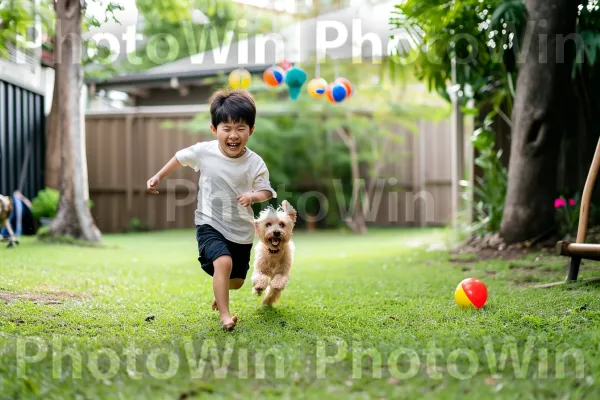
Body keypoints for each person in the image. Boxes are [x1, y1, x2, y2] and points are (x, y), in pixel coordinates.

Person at [147, 89, 276, 330]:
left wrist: (253, 196)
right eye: (226, 129)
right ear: (214, 130)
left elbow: (267, 191)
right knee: (223, 262)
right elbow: (179, 158)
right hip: (210, 223)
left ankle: (221, 292)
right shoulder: (204, 151)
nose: (233, 135)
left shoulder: (255, 162)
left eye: (240, 129)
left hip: (240, 230)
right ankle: (225, 316)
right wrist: (158, 176)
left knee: (236, 282)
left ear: (251, 130)